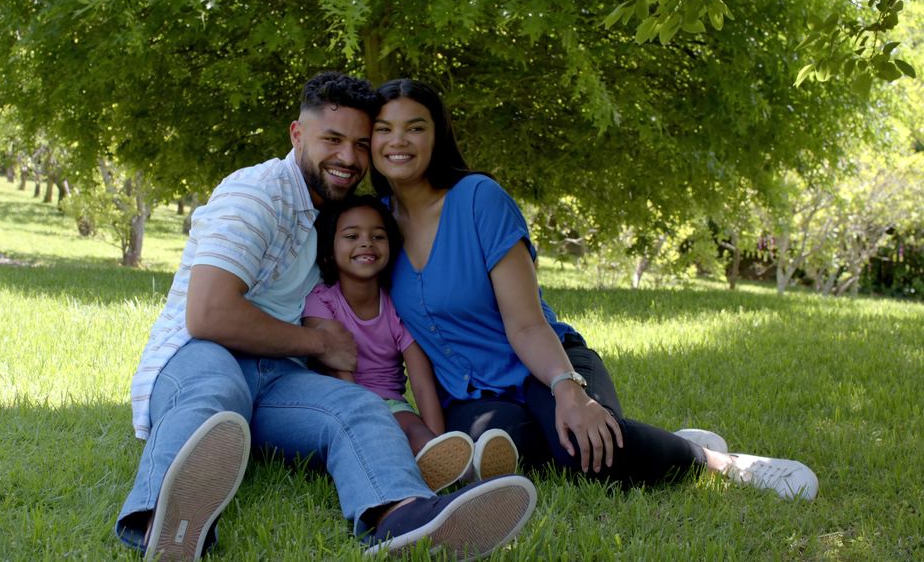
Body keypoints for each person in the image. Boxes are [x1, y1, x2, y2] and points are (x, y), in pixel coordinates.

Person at [115, 71, 537, 561]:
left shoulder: (333, 215)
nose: (349, 158)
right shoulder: (255, 194)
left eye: (361, 145)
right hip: (202, 355)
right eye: (332, 140)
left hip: (279, 376)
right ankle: (161, 525)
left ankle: (403, 518)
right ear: (297, 134)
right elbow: (208, 315)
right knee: (217, 391)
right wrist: (319, 343)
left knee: (359, 407)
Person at [368, 78, 819, 501]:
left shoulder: (478, 199)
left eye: (415, 127)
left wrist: (569, 391)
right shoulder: (375, 228)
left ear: (438, 136)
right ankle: (637, 438)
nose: (398, 140)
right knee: (497, 449)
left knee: (586, 451)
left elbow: (526, 324)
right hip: (472, 398)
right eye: (384, 129)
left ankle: (719, 462)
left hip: (547, 365)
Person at [303, 195, 519, 492]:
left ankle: (465, 469)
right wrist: (364, 418)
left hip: (392, 404)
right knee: (386, 436)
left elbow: (421, 383)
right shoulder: (322, 300)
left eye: (378, 236)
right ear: (328, 251)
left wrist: (438, 439)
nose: (366, 243)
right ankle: (443, 466)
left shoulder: (397, 306)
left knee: (414, 430)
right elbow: (333, 365)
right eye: (352, 236)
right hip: (342, 404)